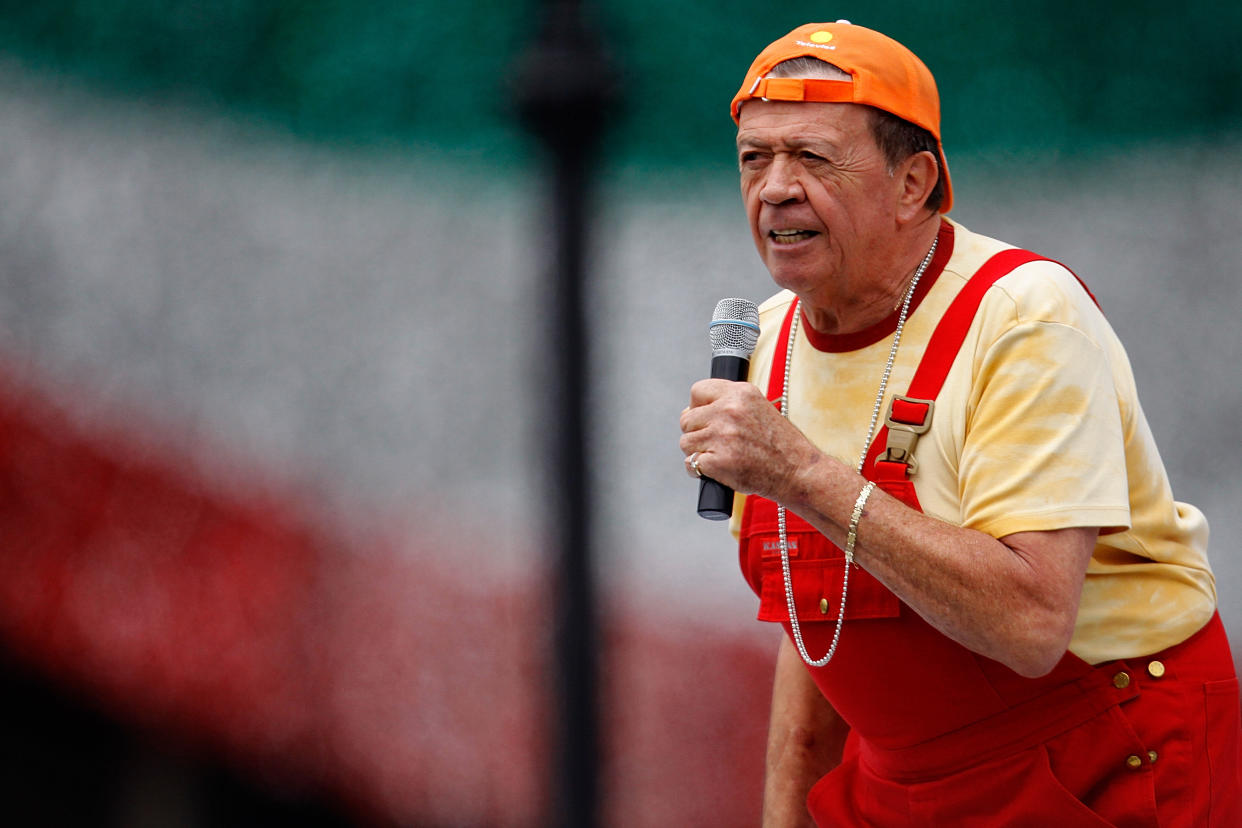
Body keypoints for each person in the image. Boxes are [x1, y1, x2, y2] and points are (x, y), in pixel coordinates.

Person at [678, 20, 1241, 827]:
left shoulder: (1024, 318)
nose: (774, 188)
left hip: (1107, 759)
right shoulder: (762, 345)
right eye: (754, 158)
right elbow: (817, 625)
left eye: (812, 157)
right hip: (906, 785)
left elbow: (1029, 624)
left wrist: (798, 473)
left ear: (915, 184)